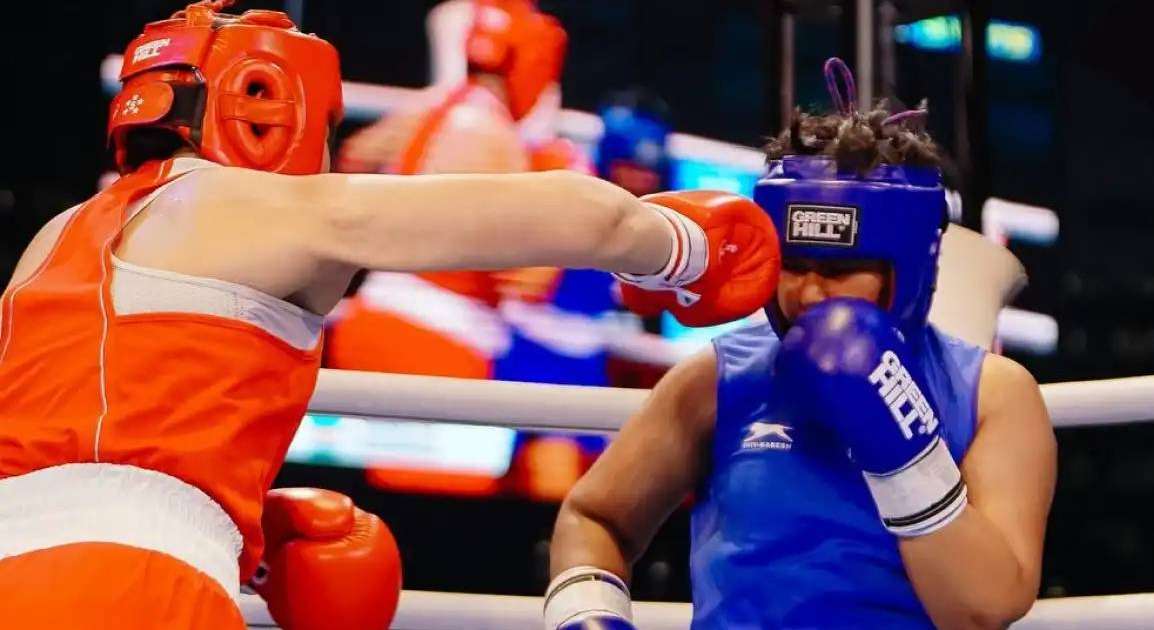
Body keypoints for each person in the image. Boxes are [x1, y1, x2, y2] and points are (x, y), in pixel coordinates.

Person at [0, 2, 780, 628]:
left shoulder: (52, 239)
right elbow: (576, 217)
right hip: (136, 586)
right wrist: (679, 244)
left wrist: (247, 534)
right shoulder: (252, 203)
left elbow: (84, 444)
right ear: (267, 105)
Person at [545, 59, 1056, 630]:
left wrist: (898, 441)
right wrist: (588, 615)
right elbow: (595, 518)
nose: (811, 292)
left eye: (839, 270)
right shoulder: (719, 380)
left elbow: (983, 608)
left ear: (910, 266)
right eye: (794, 265)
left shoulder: (991, 395)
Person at [328, 0, 587, 380]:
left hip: (370, 316)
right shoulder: (504, 143)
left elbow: (351, 159)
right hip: (442, 343)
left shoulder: (424, 111)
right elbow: (526, 279)